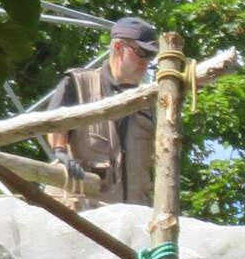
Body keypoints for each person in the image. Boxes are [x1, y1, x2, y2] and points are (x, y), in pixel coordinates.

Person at [46, 17, 161, 206]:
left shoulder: (148, 102)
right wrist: (60, 150)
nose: (146, 61)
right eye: (141, 52)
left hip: (132, 213)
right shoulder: (79, 82)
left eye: (151, 55)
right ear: (118, 46)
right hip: (82, 208)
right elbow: (53, 125)